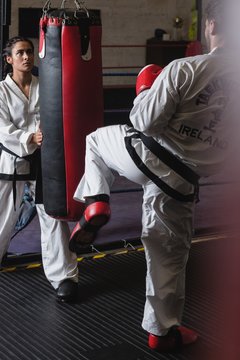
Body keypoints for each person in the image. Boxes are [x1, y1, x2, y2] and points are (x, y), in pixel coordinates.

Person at [68, 0, 240, 352]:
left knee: (96, 141)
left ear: (209, 27)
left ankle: (97, 200)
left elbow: (143, 121)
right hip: (180, 183)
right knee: (168, 259)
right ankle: (162, 331)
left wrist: (147, 90)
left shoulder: (184, 69)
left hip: (141, 156)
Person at [0, 36, 79, 303]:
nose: (27, 57)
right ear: (9, 59)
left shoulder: (45, 86)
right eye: (20, 53)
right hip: (12, 160)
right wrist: (29, 138)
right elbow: (2, 129)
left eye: (30, 52)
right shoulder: (1, 91)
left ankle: (64, 277)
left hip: (46, 161)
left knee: (52, 216)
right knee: (4, 217)